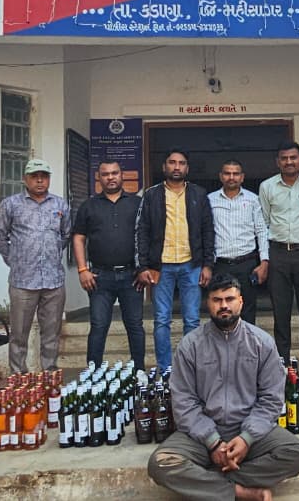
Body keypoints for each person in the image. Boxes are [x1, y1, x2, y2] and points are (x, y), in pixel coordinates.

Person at [147, 275, 299, 501]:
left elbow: (271, 399)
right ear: (208, 303)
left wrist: (246, 438)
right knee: (160, 463)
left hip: (249, 430)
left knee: (297, 453)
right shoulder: (190, 345)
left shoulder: (261, 343)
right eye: (217, 300)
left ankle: (209, 482)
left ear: (241, 302)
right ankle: (239, 491)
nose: (224, 305)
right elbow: (184, 402)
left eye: (229, 299)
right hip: (201, 434)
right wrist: (213, 442)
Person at [137, 149, 216, 370]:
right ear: (164, 166)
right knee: (162, 319)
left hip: (191, 264)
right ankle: (165, 369)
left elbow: (208, 230)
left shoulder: (198, 194)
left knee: (192, 319)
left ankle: (189, 368)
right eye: (172, 162)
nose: (177, 167)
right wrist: (143, 266)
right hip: (160, 266)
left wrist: (207, 264)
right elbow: (142, 231)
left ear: (187, 168)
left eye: (181, 163)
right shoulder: (152, 195)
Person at [0, 158, 71, 375]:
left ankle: (49, 375)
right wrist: (14, 259)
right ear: (25, 179)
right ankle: (18, 377)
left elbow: (66, 235)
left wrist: (52, 254)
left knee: (51, 333)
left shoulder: (60, 205)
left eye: (44, 176)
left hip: (53, 281)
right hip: (23, 281)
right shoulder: (11, 204)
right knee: (19, 334)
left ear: (49, 179)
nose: (39, 180)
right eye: (34, 176)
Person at [72, 159, 146, 370]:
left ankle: (139, 371)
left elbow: (147, 236)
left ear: (122, 175)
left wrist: (145, 268)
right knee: (98, 326)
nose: (110, 177)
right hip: (99, 277)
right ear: (99, 178)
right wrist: (82, 270)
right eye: (105, 174)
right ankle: (93, 373)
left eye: (114, 173)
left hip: (132, 276)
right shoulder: (88, 206)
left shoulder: (137, 204)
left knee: (135, 326)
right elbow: (78, 238)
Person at [258, 141, 299, 362]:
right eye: (284, 158)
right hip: (278, 254)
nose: (289, 162)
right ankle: (282, 363)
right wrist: (265, 258)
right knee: (281, 313)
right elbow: (264, 222)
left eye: (293, 158)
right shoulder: (267, 186)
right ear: (278, 161)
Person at [209, 160, 270, 325]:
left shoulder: (253, 200)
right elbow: (205, 233)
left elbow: (262, 232)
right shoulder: (210, 200)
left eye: (235, 173)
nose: (231, 177)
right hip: (220, 265)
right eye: (227, 173)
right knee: (221, 310)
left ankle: (246, 342)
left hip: (247, 264)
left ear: (242, 177)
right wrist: (206, 264)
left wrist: (264, 262)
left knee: (247, 310)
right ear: (221, 176)